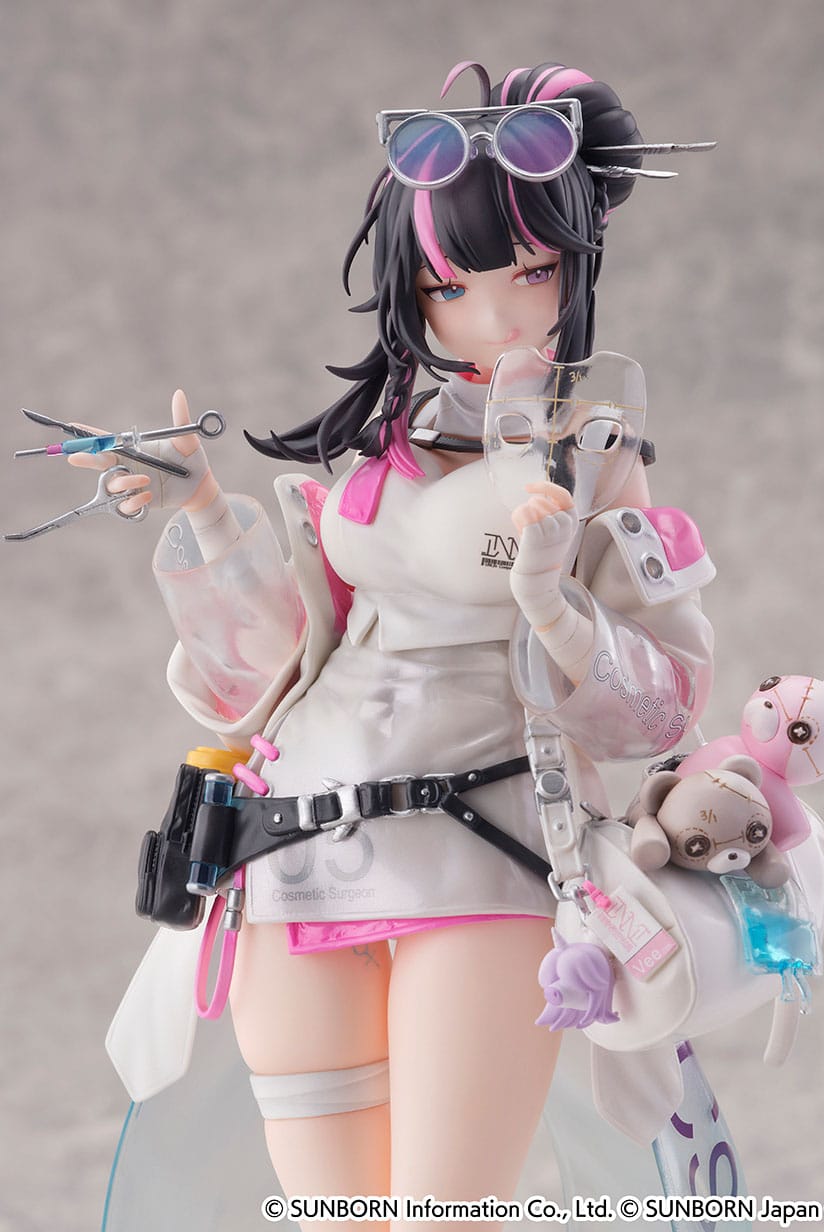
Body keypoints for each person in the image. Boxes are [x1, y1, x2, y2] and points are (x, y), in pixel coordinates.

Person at [90, 61, 719, 1230]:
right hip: (292, 853)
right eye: (451, 284)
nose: (498, 313)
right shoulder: (375, 451)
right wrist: (210, 517)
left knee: (446, 1210)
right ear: (410, 289)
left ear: (579, 265)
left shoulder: (600, 456)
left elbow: (662, 706)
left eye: (534, 272)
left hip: (484, 848)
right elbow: (276, 670)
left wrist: (557, 607)